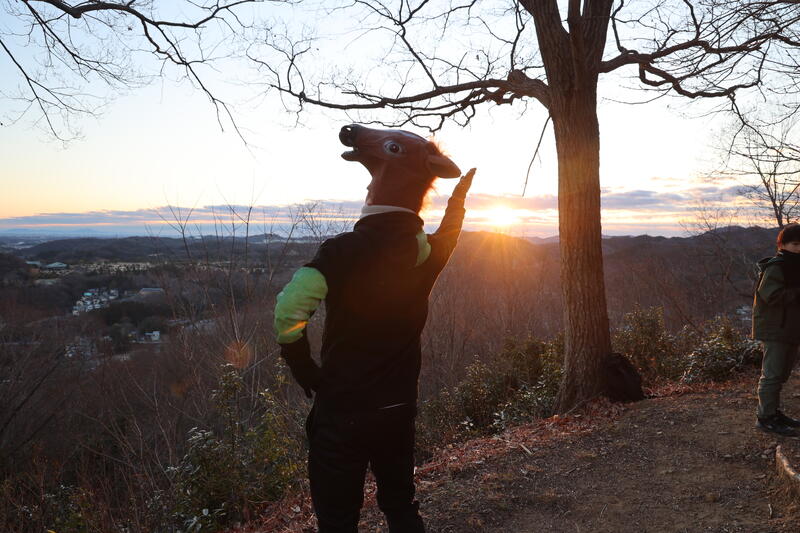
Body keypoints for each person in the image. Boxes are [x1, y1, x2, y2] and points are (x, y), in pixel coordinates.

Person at [274, 123, 475, 532]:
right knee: (400, 506)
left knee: (338, 520)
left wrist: (303, 367)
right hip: (398, 409)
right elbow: (449, 235)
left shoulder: (341, 252)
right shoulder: (426, 255)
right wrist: (457, 201)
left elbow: (289, 309)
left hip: (342, 411)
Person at [753, 223, 800, 437]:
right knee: (772, 375)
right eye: (795, 244)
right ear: (782, 244)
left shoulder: (795, 266)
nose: (799, 249)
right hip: (775, 329)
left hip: (791, 329)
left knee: (780, 374)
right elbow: (771, 296)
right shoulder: (776, 267)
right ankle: (765, 418)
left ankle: (773, 413)